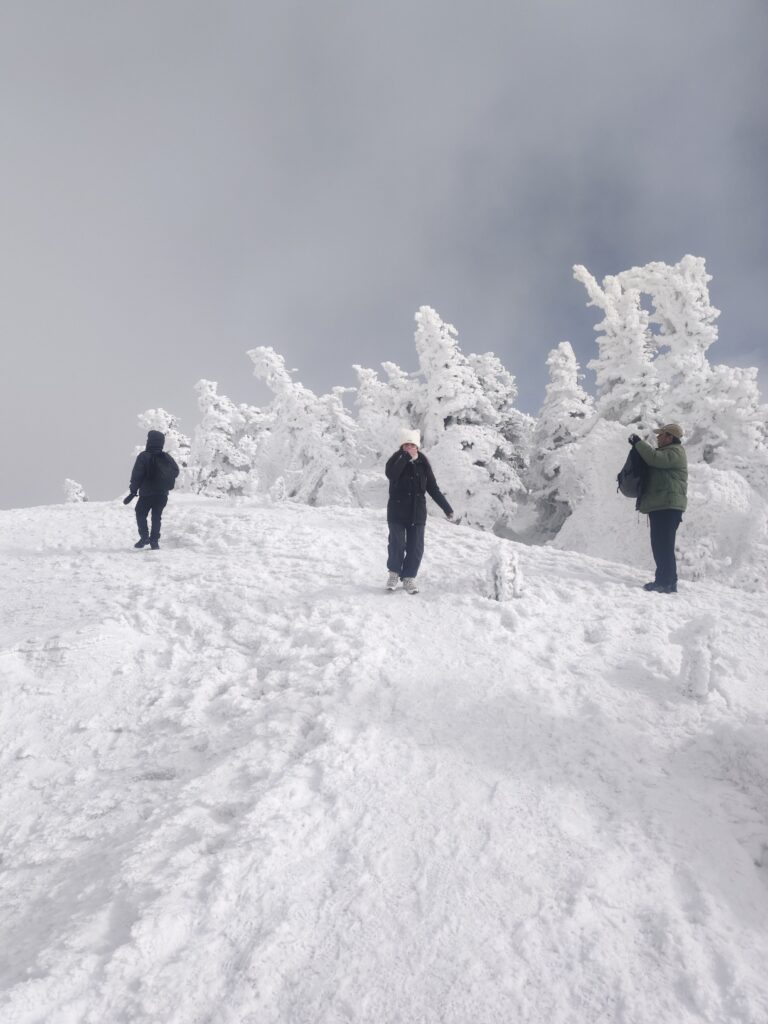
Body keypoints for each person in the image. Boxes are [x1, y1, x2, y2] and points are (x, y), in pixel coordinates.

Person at [385, 429, 453, 594]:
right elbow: (392, 475)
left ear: (417, 446)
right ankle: (394, 574)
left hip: (417, 512)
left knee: (416, 547)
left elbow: (433, 488)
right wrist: (405, 458)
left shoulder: (423, 463)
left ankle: (408, 577)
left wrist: (447, 508)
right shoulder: (395, 460)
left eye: (412, 444)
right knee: (397, 544)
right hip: (397, 512)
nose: (409, 447)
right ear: (402, 446)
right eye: (406, 444)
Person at [628, 423, 688, 593]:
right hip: (663, 505)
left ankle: (664, 582)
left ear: (670, 437)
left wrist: (639, 443)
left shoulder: (675, 451)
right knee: (662, 544)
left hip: (668, 505)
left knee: (663, 545)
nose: (658, 438)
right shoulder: (668, 452)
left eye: (661, 435)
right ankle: (669, 581)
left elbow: (655, 459)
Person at [124, 430, 180, 550]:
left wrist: (133, 490)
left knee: (140, 512)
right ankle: (154, 541)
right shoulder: (166, 457)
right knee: (156, 516)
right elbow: (176, 471)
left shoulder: (144, 456)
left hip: (147, 493)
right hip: (162, 494)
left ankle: (144, 537)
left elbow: (136, 475)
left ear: (149, 441)